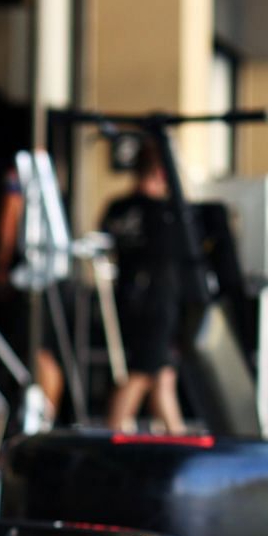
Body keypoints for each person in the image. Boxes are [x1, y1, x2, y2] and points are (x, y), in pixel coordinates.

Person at [99, 146, 186, 433]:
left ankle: (178, 438)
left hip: (127, 298)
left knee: (163, 376)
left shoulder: (117, 208)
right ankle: (114, 436)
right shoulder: (163, 213)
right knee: (141, 374)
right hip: (156, 302)